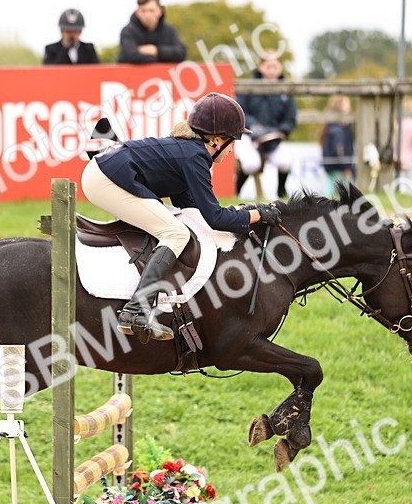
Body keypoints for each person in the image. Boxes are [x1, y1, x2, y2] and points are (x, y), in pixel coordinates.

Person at [80, 93, 278, 341]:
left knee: (178, 225)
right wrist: (256, 214)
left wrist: (245, 217)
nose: (232, 151)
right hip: (104, 178)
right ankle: (136, 310)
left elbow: (196, 212)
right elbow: (215, 217)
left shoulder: (190, 152)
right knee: (175, 233)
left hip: (105, 173)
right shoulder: (196, 157)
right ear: (217, 141)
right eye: (232, 142)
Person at [234, 50, 297, 199]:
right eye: (268, 66)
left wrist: (279, 132)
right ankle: (236, 193)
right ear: (260, 66)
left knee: (285, 161)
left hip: (272, 139)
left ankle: (281, 193)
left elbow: (290, 119)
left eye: (275, 66)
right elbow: (240, 111)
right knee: (251, 164)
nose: (271, 69)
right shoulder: (248, 86)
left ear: (280, 67)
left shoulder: (286, 91)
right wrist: (254, 127)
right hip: (248, 135)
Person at [117, 0, 186, 64]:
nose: (147, 15)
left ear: (160, 11)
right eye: (143, 11)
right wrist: (162, 58)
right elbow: (129, 56)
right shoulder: (128, 31)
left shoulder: (169, 30)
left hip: (162, 75)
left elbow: (181, 53)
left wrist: (156, 51)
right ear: (137, 12)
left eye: (151, 10)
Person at [319, 96, 356, 196]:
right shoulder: (338, 130)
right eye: (347, 106)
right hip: (340, 168)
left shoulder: (331, 127)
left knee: (330, 193)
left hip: (331, 166)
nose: (350, 108)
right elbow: (339, 150)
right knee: (348, 195)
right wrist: (346, 167)